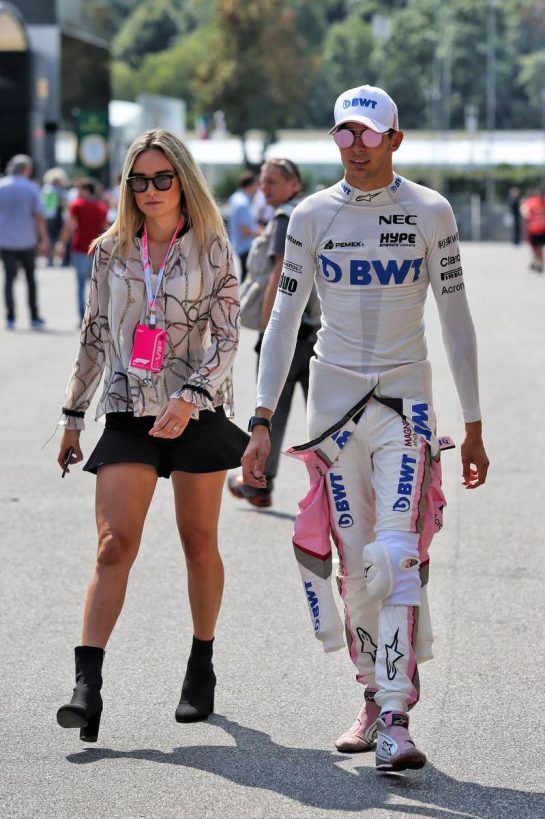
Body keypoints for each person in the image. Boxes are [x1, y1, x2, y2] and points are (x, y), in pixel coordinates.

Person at [241, 84, 489, 772]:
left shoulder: (429, 211)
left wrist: (471, 423)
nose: (355, 147)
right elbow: (283, 320)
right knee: (355, 571)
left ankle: (397, 716)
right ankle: (370, 697)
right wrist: (261, 419)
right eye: (343, 135)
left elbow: (455, 319)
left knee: (395, 555)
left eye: (368, 134)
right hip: (331, 414)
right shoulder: (312, 215)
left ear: (395, 140)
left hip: (405, 406)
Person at [55, 129, 248, 742]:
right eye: (139, 179)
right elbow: (93, 334)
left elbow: (226, 338)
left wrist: (191, 399)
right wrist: (71, 414)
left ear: (183, 181)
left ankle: (201, 662)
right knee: (114, 544)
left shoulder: (214, 247)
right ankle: (87, 687)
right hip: (128, 408)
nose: (151, 189)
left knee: (198, 541)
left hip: (198, 411)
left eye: (163, 178)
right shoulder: (109, 250)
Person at [229, 158, 320, 507]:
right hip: (314, 331)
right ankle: (339, 486)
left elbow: (279, 273)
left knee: (270, 413)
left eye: (272, 182)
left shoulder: (285, 218)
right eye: (263, 182)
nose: (264, 188)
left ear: (293, 183)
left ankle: (257, 484)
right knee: (325, 416)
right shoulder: (308, 212)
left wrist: (269, 330)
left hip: (289, 332)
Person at [0, 154, 49, 329]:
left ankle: (10, 317)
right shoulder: (31, 188)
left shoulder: (1, 185)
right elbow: (39, 216)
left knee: (8, 279)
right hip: (27, 240)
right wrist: (44, 239)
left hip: (5, 240)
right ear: (26, 169)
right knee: (30, 279)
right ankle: (34, 316)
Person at [55, 178, 109, 320]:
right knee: (97, 284)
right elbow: (105, 229)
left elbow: (68, 226)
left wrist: (61, 243)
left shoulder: (77, 205)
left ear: (85, 191)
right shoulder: (101, 207)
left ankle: (82, 316)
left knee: (80, 284)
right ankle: (97, 314)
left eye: (80, 190)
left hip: (80, 248)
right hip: (97, 249)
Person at [227, 171, 260, 282]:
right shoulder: (243, 203)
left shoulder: (235, 198)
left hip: (238, 245)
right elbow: (245, 231)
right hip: (245, 247)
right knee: (247, 280)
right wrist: (263, 232)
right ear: (251, 185)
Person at [41, 167, 68, 264]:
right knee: (59, 237)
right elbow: (64, 203)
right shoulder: (60, 190)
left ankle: (49, 259)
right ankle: (63, 259)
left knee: (49, 237)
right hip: (57, 216)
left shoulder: (45, 189)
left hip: (47, 216)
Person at [520, 189, 545, 272]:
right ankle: (536, 261)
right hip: (533, 230)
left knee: (539, 248)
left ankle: (539, 263)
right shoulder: (532, 202)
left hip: (542, 230)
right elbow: (524, 210)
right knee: (535, 248)